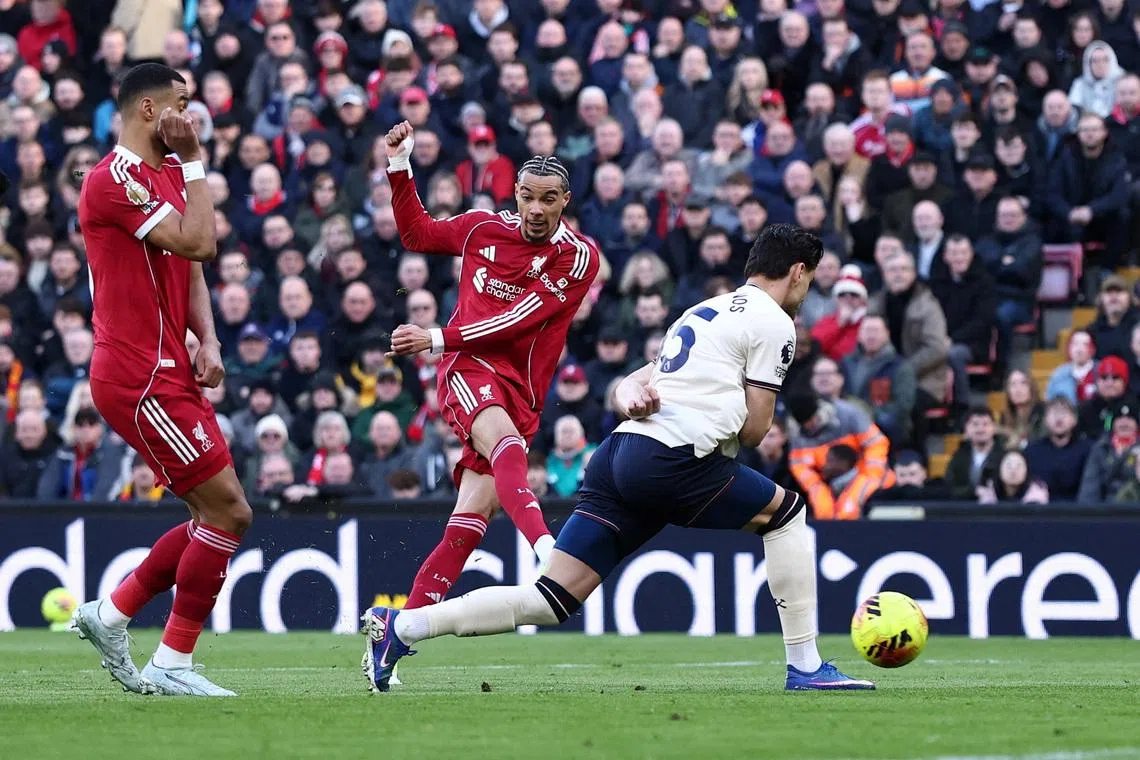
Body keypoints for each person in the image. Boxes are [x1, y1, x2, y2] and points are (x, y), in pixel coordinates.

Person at [363, 224, 875, 693]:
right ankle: (806, 666)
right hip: (676, 461)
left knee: (551, 598)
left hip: (618, 454)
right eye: (809, 281)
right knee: (786, 515)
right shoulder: (776, 324)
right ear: (798, 272)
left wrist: (632, 398)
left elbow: (633, 383)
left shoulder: (702, 310)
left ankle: (402, 626)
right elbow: (757, 430)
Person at [71, 64, 252, 698]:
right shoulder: (112, 180)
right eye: (181, 103)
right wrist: (198, 160)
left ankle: (113, 613)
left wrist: (209, 337)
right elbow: (200, 241)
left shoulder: (167, 173)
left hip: (169, 366)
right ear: (149, 111)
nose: (189, 115)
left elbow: (191, 268)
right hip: (138, 374)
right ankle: (171, 660)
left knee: (213, 512)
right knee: (228, 510)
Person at [381, 121, 602, 629]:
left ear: (564, 200)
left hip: (521, 388)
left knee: (466, 528)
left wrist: (433, 336)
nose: (537, 210)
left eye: (549, 199)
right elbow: (418, 234)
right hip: (468, 365)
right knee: (507, 446)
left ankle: (398, 632)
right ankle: (548, 548)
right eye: (528, 197)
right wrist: (399, 166)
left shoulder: (578, 257)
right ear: (516, 195)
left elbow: (518, 319)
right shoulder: (484, 228)